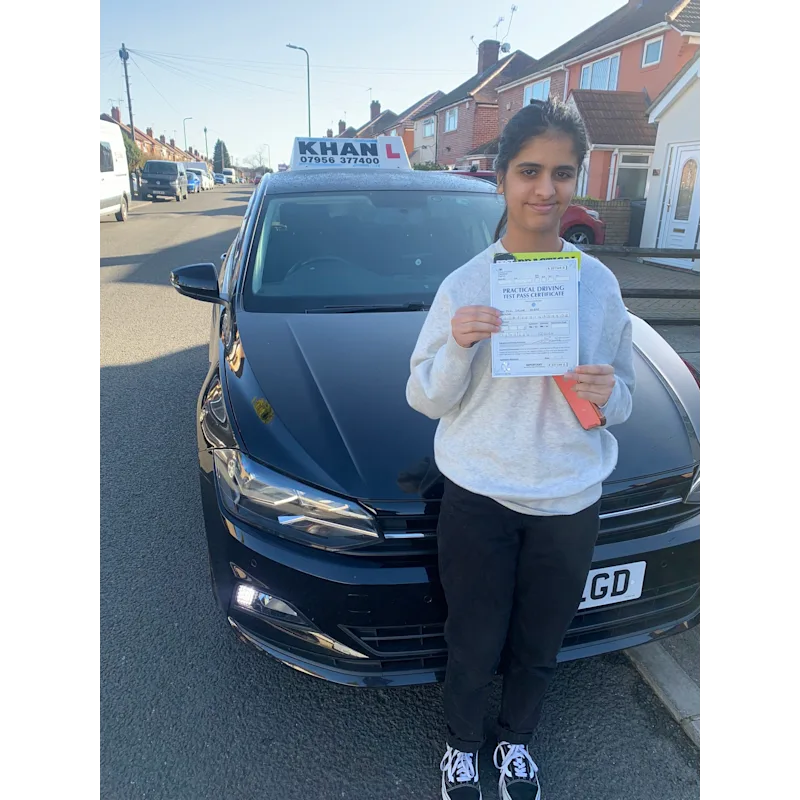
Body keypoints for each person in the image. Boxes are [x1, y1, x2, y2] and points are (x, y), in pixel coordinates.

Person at [405, 98, 635, 800]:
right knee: (473, 640)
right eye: (529, 171)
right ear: (501, 179)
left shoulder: (598, 285)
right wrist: (458, 346)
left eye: (562, 173)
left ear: (578, 180)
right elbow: (424, 397)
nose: (546, 189)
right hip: (480, 496)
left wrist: (606, 393)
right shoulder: (465, 285)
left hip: (568, 499)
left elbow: (622, 398)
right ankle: (463, 749)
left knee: (540, 644)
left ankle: (515, 745)